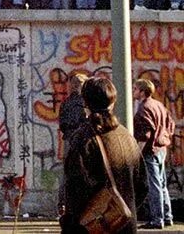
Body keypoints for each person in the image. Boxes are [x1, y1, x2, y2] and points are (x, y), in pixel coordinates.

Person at [60, 76, 147, 234]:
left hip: (93, 227)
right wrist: (122, 211)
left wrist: (72, 224)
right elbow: (142, 185)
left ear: (85, 102)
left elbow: (74, 189)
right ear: (112, 102)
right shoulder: (126, 136)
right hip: (124, 225)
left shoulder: (83, 138)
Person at [133, 79, 175, 230]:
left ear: (142, 92)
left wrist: (136, 154)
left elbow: (144, 135)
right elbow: (170, 123)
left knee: (154, 185)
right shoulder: (158, 105)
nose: (133, 91)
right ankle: (167, 216)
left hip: (150, 150)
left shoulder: (143, 109)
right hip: (161, 148)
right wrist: (165, 138)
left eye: (136, 89)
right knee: (162, 184)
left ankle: (157, 219)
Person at [58, 74, 89, 153]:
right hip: (76, 139)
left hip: (77, 138)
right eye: (74, 82)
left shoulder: (67, 102)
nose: (75, 85)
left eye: (78, 82)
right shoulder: (68, 102)